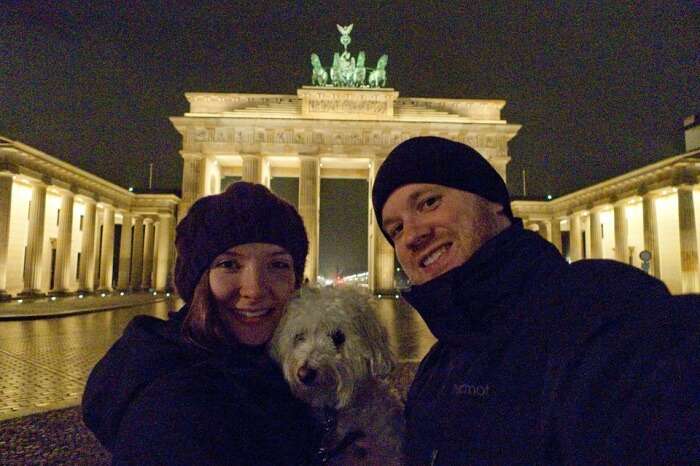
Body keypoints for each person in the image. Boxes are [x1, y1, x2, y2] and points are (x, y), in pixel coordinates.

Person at [371, 136, 700, 464]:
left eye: (429, 202)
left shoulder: (605, 310)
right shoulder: (437, 368)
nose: (412, 235)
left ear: (493, 202)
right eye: (396, 229)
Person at [82, 182, 323, 465]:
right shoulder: (175, 408)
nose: (255, 289)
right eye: (229, 265)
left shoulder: (272, 368)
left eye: (278, 265)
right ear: (198, 279)